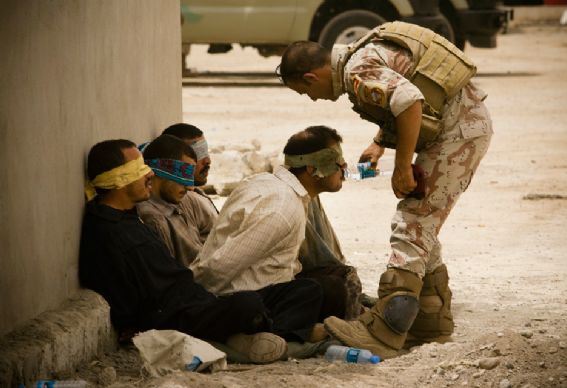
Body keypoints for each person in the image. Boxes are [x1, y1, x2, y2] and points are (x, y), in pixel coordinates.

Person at [277, 21, 493, 358]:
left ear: (310, 77)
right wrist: (380, 144)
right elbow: (403, 94)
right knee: (424, 224)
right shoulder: (359, 52)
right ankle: (430, 321)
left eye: (306, 92)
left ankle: (384, 331)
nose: (313, 98)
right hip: (462, 123)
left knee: (412, 223)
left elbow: (409, 101)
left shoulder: (356, 71)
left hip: (457, 132)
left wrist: (403, 165)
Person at [79, 139, 320, 363]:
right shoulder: (108, 231)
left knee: (307, 289)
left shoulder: (130, 218)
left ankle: (253, 336)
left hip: (196, 298)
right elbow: (118, 290)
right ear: (119, 180)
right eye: (140, 170)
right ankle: (253, 341)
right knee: (248, 305)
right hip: (174, 314)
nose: (150, 174)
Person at [190, 125, 351, 324]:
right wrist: (200, 307)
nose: (344, 169)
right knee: (322, 291)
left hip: (262, 288)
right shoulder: (282, 208)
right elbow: (221, 266)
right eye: (337, 163)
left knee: (335, 278)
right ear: (312, 169)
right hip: (243, 300)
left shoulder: (269, 184)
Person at [136, 133, 214, 266]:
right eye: (184, 175)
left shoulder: (178, 202)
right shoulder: (154, 220)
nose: (190, 187)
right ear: (161, 171)